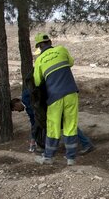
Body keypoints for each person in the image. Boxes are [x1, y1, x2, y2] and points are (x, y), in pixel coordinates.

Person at [32, 32, 80, 165]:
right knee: (71, 125)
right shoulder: (62, 50)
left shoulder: (39, 60)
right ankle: (70, 159)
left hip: (54, 96)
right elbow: (70, 63)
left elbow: (36, 82)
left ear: (39, 46)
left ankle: (48, 157)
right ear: (50, 42)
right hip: (71, 92)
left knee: (53, 126)